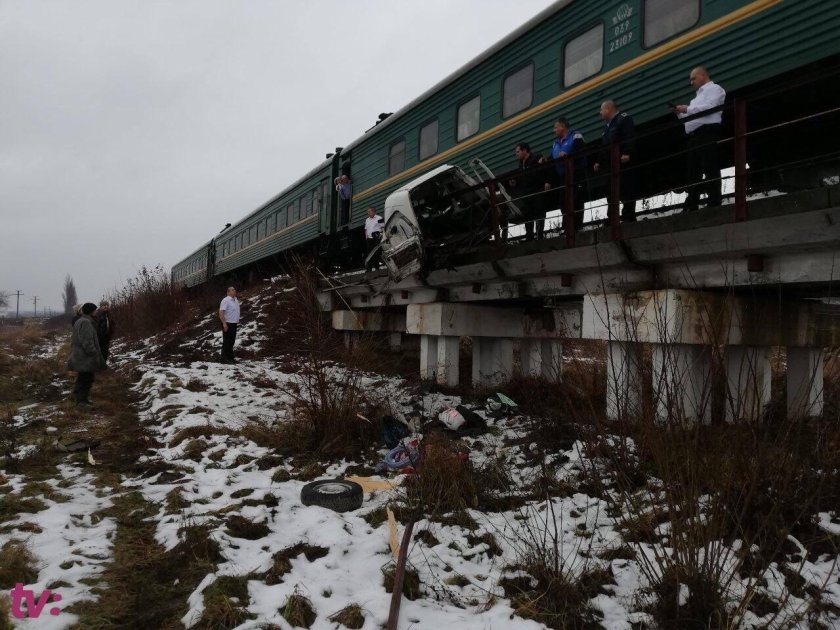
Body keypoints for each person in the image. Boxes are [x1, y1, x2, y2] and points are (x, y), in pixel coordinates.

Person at [673, 66, 726, 210]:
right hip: (694, 136)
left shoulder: (715, 89)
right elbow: (690, 118)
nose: (691, 83)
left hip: (706, 132)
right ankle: (692, 203)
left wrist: (687, 109)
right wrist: (679, 113)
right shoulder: (696, 98)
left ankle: (714, 201)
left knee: (709, 166)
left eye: (693, 78)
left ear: (703, 75)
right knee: (693, 171)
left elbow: (709, 108)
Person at [593, 100, 638, 222]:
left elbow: (629, 136)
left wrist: (627, 152)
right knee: (611, 190)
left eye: (601, 110)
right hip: (611, 164)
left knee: (627, 187)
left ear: (608, 109)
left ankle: (628, 215)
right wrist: (598, 161)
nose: (600, 113)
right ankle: (612, 217)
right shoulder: (607, 127)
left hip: (623, 161)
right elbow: (605, 146)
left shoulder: (623, 119)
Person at [543, 118, 586, 232]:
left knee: (576, 199)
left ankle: (577, 227)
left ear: (563, 126)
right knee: (563, 201)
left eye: (556, 127)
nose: (554, 130)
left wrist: (568, 155)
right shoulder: (556, 143)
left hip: (575, 173)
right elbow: (552, 160)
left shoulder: (576, 136)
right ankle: (567, 227)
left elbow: (581, 151)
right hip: (563, 176)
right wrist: (548, 179)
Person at [67, 302, 105, 409]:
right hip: (85, 357)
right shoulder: (86, 322)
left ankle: (81, 399)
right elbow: (87, 341)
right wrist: (94, 353)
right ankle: (82, 402)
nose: (96, 311)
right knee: (86, 379)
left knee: (82, 378)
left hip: (81, 356)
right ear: (91, 311)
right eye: (95, 310)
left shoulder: (81, 320)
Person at [509, 142, 545, 240]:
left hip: (536, 190)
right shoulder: (521, 163)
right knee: (528, 214)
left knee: (538, 212)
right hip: (526, 192)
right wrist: (515, 181)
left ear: (524, 150)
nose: (516, 154)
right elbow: (521, 176)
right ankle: (529, 236)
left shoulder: (536, 158)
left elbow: (540, 172)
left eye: (518, 151)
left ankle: (539, 236)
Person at [218, 286, 240, 364]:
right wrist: (224, 323)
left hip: (234, 323)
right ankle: (224, 358)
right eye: (232, 290)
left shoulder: (236, 300)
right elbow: (221, 312)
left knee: (231, 341)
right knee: (227, 342)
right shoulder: (225, 300)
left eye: (234, 289)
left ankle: (230, 357)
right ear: (228, 292)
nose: (234, 291)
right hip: (227, 323)